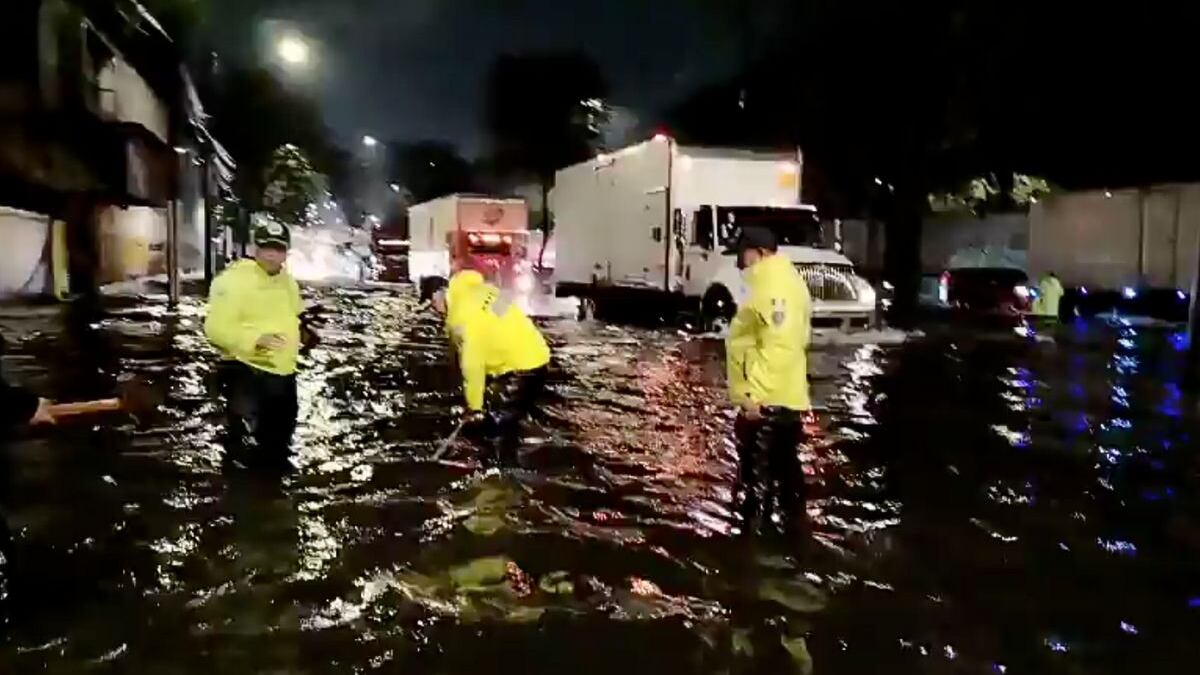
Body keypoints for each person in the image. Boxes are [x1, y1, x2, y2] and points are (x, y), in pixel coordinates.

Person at [725, 225, 812, 534]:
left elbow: (779, 346)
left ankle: (755, 552)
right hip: (782, 399)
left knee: (757, 489)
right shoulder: (781, 282)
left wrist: (752, 399)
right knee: (784, 482)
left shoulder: (772, 287)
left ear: (759, 253)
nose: (739, 262)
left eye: (743, 254)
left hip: (765, 405)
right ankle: (792, 546)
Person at [205, 222, 308, 470]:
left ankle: (273, 490)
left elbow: (294, 316)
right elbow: (214, 328)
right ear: (254, 249)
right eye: (266, 248)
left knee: (279, 447)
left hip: (283, 377)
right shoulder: (232, 281)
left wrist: (305, 333)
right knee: (244, 453)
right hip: (246, 375)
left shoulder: (288, 283)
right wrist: (254, 340)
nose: (271, 255)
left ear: (286, 253)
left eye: (278, 249)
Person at [427, 269, 551, 464]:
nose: (435, 311)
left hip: (522, 366)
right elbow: (493, 333)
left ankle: (503, 474)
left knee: (497, 429)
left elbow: (472, 364)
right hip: (533, 355)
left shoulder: (462, 316)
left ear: (439, 295)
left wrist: (474, 407)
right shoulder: (479, 291)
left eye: (432, 304)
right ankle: (514, 455)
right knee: (506, 418)